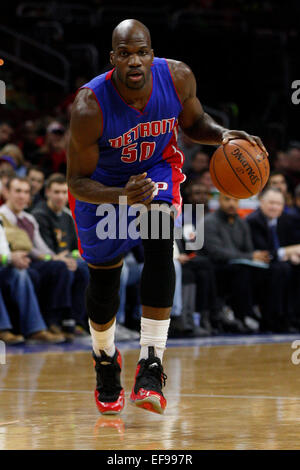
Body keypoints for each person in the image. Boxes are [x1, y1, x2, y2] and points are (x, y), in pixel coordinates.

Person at [67, 19, 267, 415]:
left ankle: (151, 362)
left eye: (142, 51)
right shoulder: (89, 106)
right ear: (113, 59)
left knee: (161, 242)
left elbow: (195, 125)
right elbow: (76, 181)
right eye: (125, 54)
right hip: (104, 190)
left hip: (156, 172)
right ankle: (105, 359)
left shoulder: (177, 77)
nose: (135, 60)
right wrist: (121, 197)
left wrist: (223, 134)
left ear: (152, 54)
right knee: (103, 285)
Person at [32, 173, 89, 334]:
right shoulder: (40, 214)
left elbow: (75, 246)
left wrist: (72, 256)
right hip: (45, 260)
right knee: (63, 269)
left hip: (64, 260)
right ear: (47, 192)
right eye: (56, 192)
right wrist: (66, 258)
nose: (60, 196)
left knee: (85, 268)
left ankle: (75, 320)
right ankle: (55, 320)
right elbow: (45, 249)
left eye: (64, 192)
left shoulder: (67, 216)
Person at [203, 194, 269, 331]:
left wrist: (250, 256)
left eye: (235, 200)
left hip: (238, 266)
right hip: (217, 267)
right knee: (242, 271)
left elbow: (249, 249)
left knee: (268, 270)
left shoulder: (242, 222)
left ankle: (265, 314)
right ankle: (242, 316)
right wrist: (249, 256)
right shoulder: (209, 222)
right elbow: (216, 253)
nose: (232, 204)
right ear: (219, 201)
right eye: (227, 199)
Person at [247, 187, 300, 332]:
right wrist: (289, 252)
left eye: (278, 204)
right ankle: (274, 319)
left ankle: (292, 317)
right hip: (258, 267)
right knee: (281, 269)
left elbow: (291, 244)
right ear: (261, 202)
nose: (275, 207)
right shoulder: (253, 221)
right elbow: (264, 253)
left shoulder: (286, 220)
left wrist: (292, 255)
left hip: (280, 264)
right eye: (271, 203)